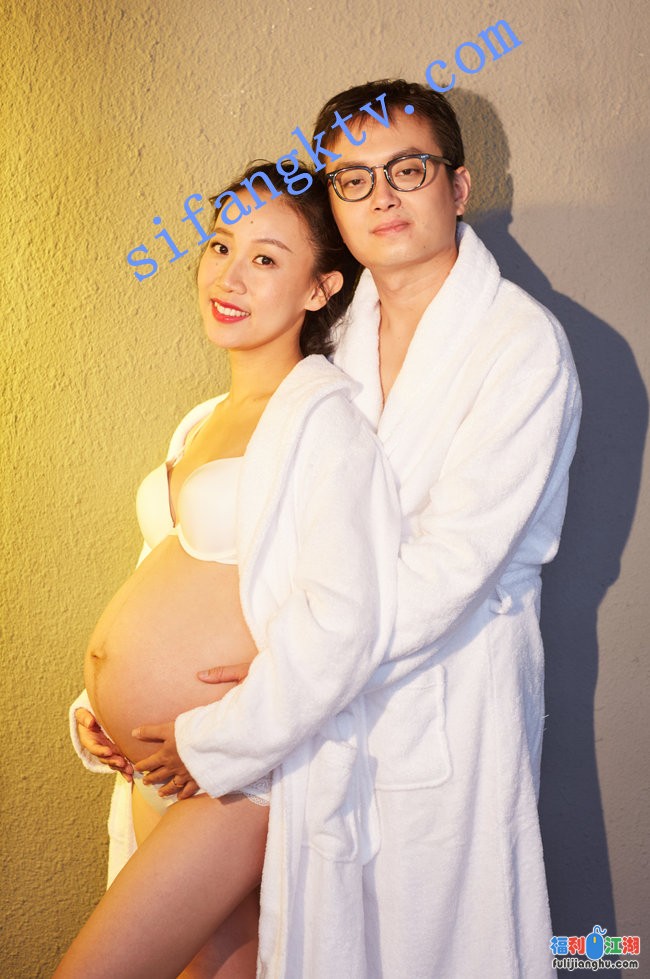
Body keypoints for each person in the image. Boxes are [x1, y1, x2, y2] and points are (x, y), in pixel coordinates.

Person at [192, 80, 582, 977]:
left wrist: (286, 679)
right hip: (315, 713)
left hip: (446, 702)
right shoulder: (327, 347)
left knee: (444, 943)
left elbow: (450, 568)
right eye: (353, 179)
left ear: (458, 185)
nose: (382, 198)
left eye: (408, 169)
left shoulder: (520, 347)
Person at [58, 161, 400, 979]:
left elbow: (343, 624)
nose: (228, 275)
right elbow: (163, 570)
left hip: (232, 775)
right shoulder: (201, 422)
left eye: (266, 258)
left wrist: (218, 737)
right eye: (220, 246)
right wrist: (97, 703)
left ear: (320, 288)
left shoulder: (325, 423)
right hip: (156, 764)